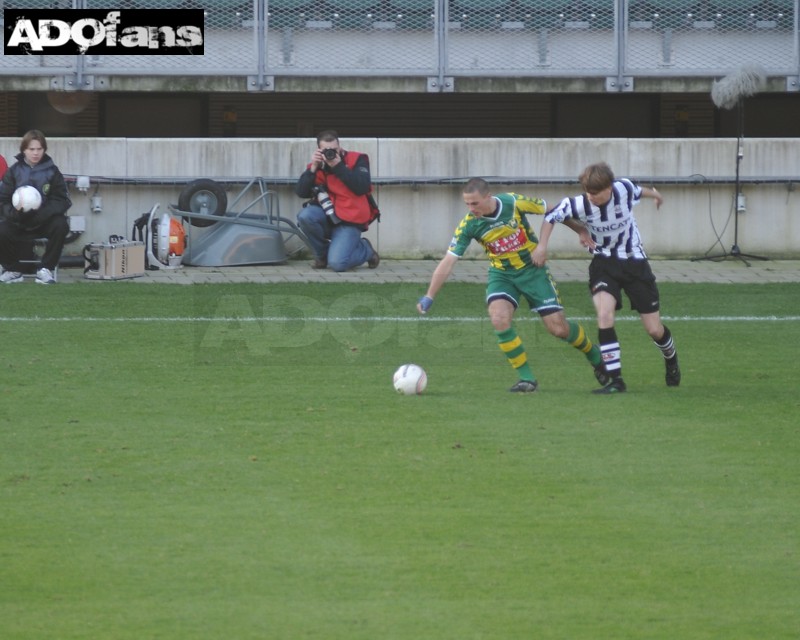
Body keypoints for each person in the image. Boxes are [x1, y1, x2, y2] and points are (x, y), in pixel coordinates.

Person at [416, 177, 609, 393]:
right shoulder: (469, 224)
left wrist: (580, 230)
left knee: (558, 328)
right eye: (467, 204)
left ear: (488, 197)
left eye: (475, 203)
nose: (471, 209)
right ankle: (527, 379)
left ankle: (595, 355)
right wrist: (429, 295)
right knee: (499, 318)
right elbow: (448, 261)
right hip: (502, 275)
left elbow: (555, 210)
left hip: (534, 271)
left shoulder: (513, 203)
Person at [532, 161, 680, 394]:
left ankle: (671, 358)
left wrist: (656, 195)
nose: (590, 197)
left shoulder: (624, 189)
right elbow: (552, 215)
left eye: (595, 193)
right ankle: (616, 380)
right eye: (587, 192)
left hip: (635, 262)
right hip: (604, 264)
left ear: (609, 187)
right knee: (604, 314)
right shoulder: (580, 203)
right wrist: (542, 246)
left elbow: (642, 190)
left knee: (654, 329)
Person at [294, 130, 380, 272]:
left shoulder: (357, 159)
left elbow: (362, 187)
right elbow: (301, 192)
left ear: (339, 147)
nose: (331, 154)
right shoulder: (318, 165)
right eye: (326, 150)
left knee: (338, 264)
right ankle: (322, 256)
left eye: (334, 150)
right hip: (327, 215)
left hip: (350, 220)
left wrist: (339, 166)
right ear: (319, 150)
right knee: (305, 216)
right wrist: (313, 168)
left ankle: (366, 249)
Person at [0, 130, 71, 285]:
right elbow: (3, 201)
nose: (35, 153)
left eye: (39, 149)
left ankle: (45, 269)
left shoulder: (53, 171)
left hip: (43, 222)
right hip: (19, 222)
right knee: (2, 229)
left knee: (61, 225)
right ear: (24, 150)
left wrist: (42, 214)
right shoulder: (13, 172)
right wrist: (16, 214)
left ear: (44, 150)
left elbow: (62, 200)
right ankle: (12, 270)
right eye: (31, 149)